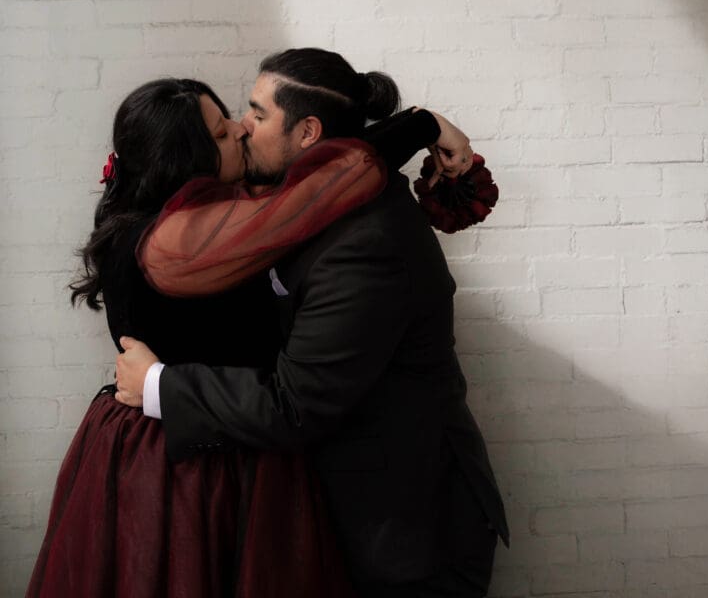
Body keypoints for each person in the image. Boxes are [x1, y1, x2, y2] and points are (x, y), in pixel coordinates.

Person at [27, 74, 463, 598]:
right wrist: (421, 125)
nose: (238, 130)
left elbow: (308, 180)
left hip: (214, 437)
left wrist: (418, 125)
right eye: (218, 133)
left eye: (233, 116)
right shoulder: (175, 239)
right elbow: (317, 192)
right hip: (186, 462)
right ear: (185, 160)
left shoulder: (203, 218)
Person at [116, 49, 510, 598]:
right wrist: (422, 124)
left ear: (306, 132)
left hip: (403, 537)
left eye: (256, 112)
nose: (241, 128)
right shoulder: (316, 198)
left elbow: (295, 405)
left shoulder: (364, 246)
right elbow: (350, 159)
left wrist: (159, 385)